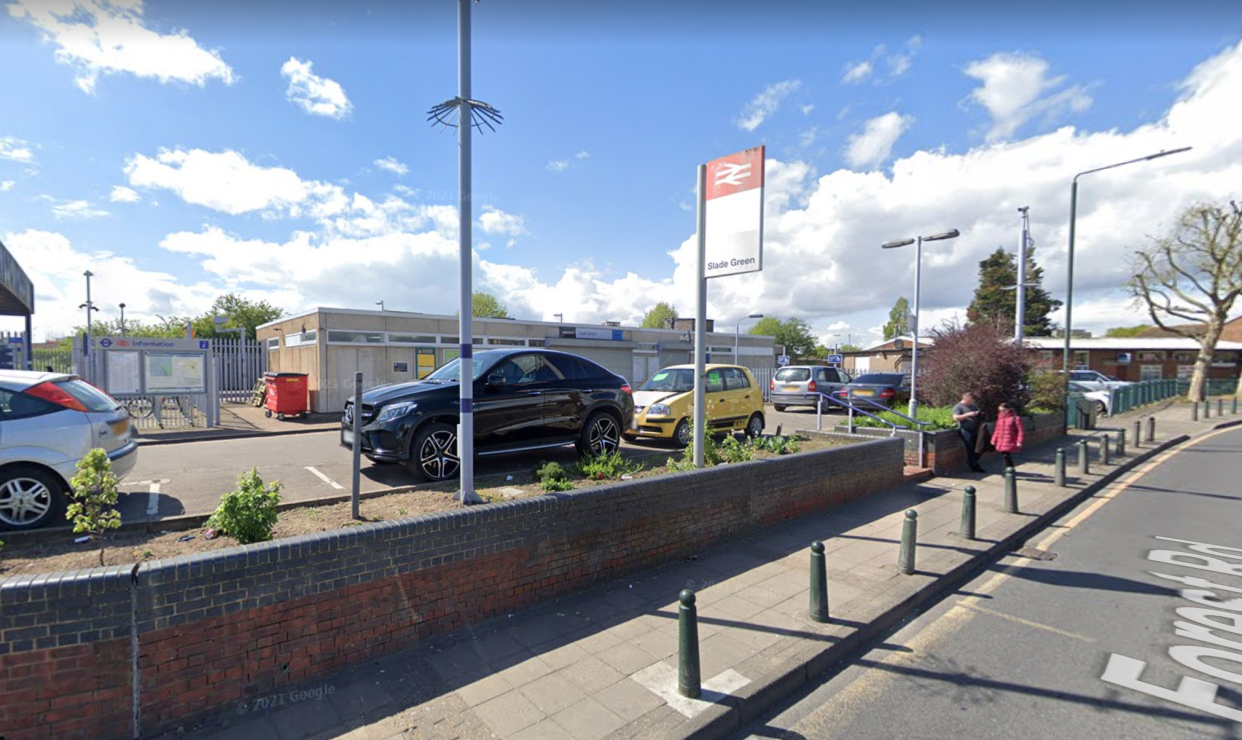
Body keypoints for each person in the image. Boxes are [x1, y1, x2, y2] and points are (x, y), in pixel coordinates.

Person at [952, 392, 985, 473]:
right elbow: (956, 418)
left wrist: (978, 414)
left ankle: (974, 462)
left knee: (980, 447)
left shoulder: (972, 406)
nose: (973, 402)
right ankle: (974, 466)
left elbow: (976, 412)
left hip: (975, 429)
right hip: (966, 430)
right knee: (970, 448)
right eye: (971, 400)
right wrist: (968, 414)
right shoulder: (958, 406)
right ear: (966, 399)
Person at [990, 402, 1025, 470]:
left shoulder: (1015, 418)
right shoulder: (999, 419)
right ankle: (1009, 469)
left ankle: (1010, 469)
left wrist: (1019, 441)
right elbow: (997, 430)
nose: (1002, 412)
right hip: (1001, 440)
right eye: (1000, 410)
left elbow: (1020, 431)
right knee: (1005, 455)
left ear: (1009, 409)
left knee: (1006, 455)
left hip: (1010, 440)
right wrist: (993, 439)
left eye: (1004, 410)